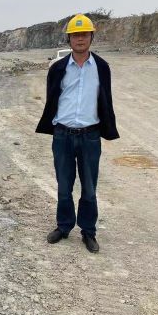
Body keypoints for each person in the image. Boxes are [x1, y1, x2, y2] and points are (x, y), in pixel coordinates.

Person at [35, 14, 119, 253]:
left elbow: (106, 99)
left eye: (84, 34)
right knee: (64, 186)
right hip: (62, 135)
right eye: (75, 35)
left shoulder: (101, 67)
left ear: (91, 37)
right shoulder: (58, 68)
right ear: (69, 39)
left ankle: (88, 231)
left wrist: (107, 127)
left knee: (89, 188)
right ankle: (63, 227)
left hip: (90, 136)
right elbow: (52, 98)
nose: (80, 39)